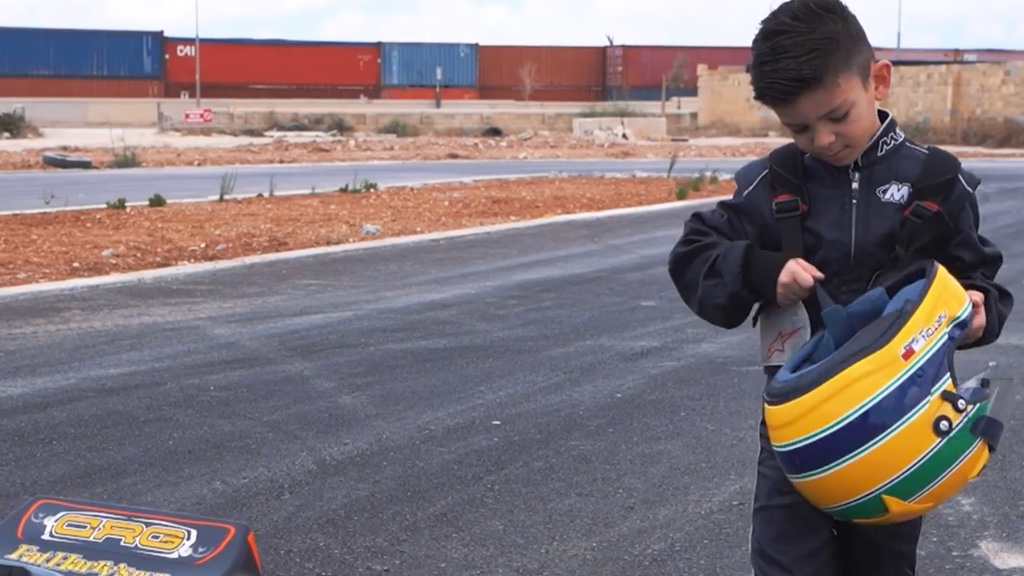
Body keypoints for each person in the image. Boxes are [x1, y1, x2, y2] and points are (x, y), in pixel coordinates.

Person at [666, 0, 1014, 575]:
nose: (822, 139)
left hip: (899, 426)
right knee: (786, 563)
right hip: (799, 431)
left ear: (877, 80)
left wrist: (976, 311)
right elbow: (695, 256)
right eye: (798, 127)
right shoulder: (773, 183)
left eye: (836, 116)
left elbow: (980, 282)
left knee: (883, 566)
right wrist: (762, 272)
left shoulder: (937, 182)